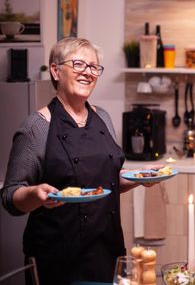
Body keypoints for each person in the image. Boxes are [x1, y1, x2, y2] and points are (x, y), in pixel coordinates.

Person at [0, 38, 153, 284]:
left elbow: (108, 181)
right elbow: (9, 196)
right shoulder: (36, 127)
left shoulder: (101, 117)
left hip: (106, 248)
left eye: (93, 67)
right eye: (79, 64)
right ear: (55, 70)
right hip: (57, 257)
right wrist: (36, 194)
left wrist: (141, 177)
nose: (88, 72)